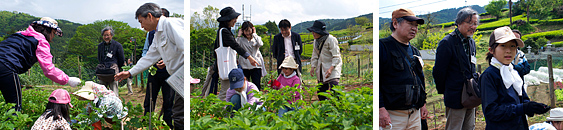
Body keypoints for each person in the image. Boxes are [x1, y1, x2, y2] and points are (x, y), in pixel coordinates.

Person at [114, 3, 184, 129]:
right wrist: (129, 73)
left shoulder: (170, 25)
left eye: (141, 21)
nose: (141, 26)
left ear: (150, 16)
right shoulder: (157, 34)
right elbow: (149, 57)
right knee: (179, 113)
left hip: (182, 76)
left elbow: (185, 48)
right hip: (177, 78)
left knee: (179, 114)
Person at [0, 17, 81, 112]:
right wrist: (68, 80)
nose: (53, 37)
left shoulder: (18, 34)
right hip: (6, 66)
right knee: (14, 107)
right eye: (54, 33)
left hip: (4, 62)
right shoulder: (41, 41)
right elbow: (49, 69)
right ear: (49, 30)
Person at [480, 26, 550, 129]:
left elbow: (522, 100)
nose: (508, 50)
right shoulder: (489, 75)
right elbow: (492, 111)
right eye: (503, 46)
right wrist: (522, 108)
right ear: (491, 50)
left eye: (513, 46)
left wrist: (532, 107)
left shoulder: (513, 72)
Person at [379, 8, 428, 130]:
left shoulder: (415, 51)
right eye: (410, 24)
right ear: (395, 24)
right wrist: (380, 109)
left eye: (416, 26)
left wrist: (423, 104)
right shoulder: (383, 47)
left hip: (414, 114)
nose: (414, 28)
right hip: (392, 115)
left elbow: (420, 80)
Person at [433, 7, 480, 130]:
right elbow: (439, 71)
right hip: (455, 95)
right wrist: (445, 91)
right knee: (455, 127)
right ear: (458, 23)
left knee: (470, 127)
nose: (473, 26)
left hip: (471, 95)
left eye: (475, 23)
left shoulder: (471, 42)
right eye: (469, 23)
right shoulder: (447, 42)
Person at [208, 6, 259, 101]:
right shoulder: (224, 32)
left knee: (229, 90)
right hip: (226, 66)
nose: (235, 20)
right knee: (225, 91)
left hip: (225, 64)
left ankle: (226, 111)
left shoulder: (224, 31)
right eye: (234, 18)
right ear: (227, 20)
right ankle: (222, 112)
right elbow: (235, 45)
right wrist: (249, 57)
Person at [140, 8, 175, 128]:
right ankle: (147, 123)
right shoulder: (150, 34)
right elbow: (145, 51)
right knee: (150, 99)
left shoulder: (172, 33)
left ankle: (167, 125)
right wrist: (149, 61)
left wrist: (167, 60)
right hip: (154, 72)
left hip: (169, 72)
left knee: (169, 101)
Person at [307, 20, 342, 101]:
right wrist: (313, 66)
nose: (313, 33)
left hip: (333, 67)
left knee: (335, 90)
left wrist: (331, 69)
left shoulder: (331, 39)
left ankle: (338, 108)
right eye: (312, 32)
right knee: (321, 92)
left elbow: (336, 56)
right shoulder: (316, 41)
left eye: (315, 32)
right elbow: (315, 55)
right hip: (321, 68)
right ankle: (326, 109)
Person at [236, 21, 266, 90]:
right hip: (244, 65)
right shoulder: (241, 39)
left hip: (256, 64)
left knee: (256, 85)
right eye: (245, 31)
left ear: (252, 30)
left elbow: (260, 44)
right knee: (244, 86)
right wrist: (239, 35)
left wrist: (255, 34)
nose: (247, 33)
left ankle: (257, 100)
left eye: (249, 31)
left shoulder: (256, 38)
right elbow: (236, 46)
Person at [97, 26, 125, 96]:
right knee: (101, 92)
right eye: (104, 35)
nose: (106, 37)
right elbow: (99, 58)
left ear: (112, 35)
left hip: (113, 72)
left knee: (114, 92)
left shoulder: (117, 45)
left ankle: (115, 106)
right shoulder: (100, 46)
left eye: (108, 35)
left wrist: (117, 68)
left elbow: (121, 59)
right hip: (103, 72)